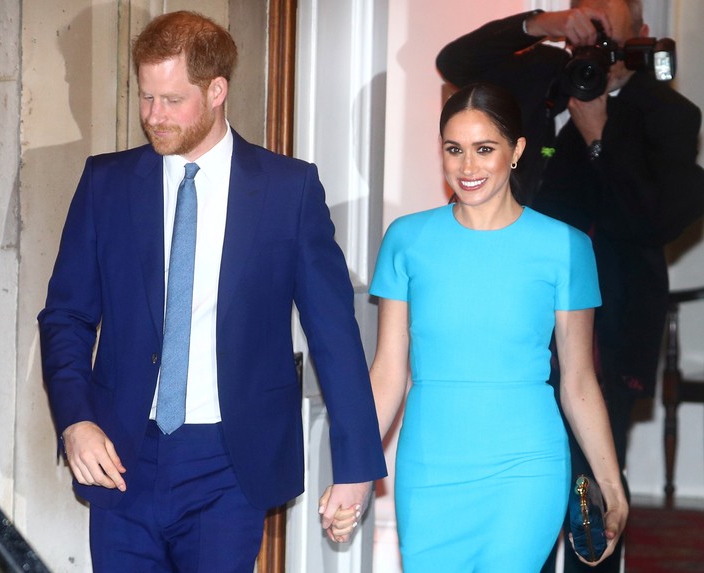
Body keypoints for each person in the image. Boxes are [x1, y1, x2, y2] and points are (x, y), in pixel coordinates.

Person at [37, 11, 387, 573]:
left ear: (217, 90)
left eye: (172, 100)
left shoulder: (288, 190)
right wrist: (75, 420)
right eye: (146, 97)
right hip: (120, 454)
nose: (154, 116)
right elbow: (66, 317)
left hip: (228, 463)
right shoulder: (106, 183)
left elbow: (333, 334)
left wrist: (355, 468)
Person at [436, 2, 704, 571]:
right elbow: (453, 62)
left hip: (608, 321)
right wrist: (541, 24)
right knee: (509, 466)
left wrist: (600, 137)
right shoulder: (540, 73)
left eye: (612, 30)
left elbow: (654, 222)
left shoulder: (669, 114)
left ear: (642, 37)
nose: (599, 42)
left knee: (591, 484)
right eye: (589, 23)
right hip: (511, 313)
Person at [365, 82, 628, 571]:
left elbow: (577, 382)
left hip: (525, 470)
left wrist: (612, 487)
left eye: (484, 149)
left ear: (517, 151)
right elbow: (386, 373)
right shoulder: (407, 240)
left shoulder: (564, 247)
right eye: (454, 149)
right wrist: (355, 470)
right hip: (428, 473)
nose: (467, 167)